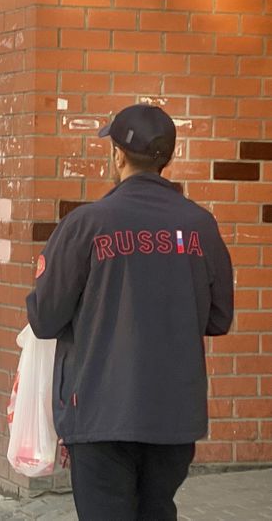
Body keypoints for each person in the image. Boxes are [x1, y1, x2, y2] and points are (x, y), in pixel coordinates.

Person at [25, 104, 234, 520]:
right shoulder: (200, 226)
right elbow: (219, 318)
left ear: (118, 155)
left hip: (101, 410)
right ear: (166, 158)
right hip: (174, 413)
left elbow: (45, 318)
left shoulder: (87, 223)